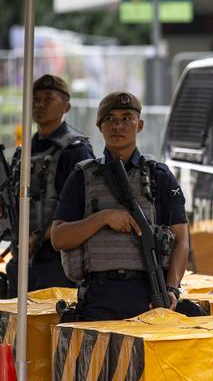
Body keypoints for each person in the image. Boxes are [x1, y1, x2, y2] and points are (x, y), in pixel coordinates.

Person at [51, 91, 189, 320]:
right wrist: (102, 218)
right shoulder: (82, 176)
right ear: (100, 126)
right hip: (99, 297)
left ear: (140, 125)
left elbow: (181, 239)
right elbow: (58, 238)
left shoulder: (159, 175)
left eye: (126, 118)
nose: (118, 125)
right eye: (110, 119)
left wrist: (172, 288)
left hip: (149, 294)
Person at [5, 74, 94, 297]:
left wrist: (38, 237)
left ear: (66, 106)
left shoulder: (75, 150)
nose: (39, 105)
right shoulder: (23, 150)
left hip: (59, 263)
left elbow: (79, 208)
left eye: (48, 99)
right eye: (35, 99)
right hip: (22, 259)